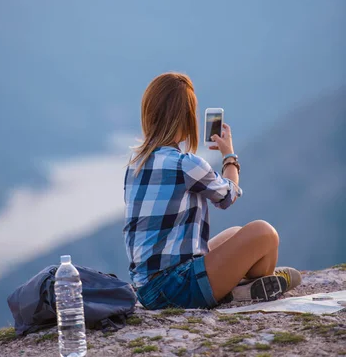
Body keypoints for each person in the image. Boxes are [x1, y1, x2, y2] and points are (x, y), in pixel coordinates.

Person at [123, 72, 301, 310]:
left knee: (236, 234)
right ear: (187, 118)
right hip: (175, 288)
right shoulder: (185, 164)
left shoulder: (135, 164)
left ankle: (237, 290)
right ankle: (242, 286)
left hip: (145, 289)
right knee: (265, 234)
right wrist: (229, 156)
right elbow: (228, 196)